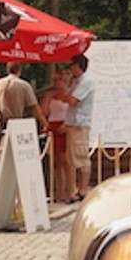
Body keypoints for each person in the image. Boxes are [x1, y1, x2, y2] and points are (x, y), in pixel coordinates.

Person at [40, 67, 75, 202]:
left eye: (57, 80)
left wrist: (67, 125)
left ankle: (69, 191)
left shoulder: (70, 95)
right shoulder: (50, 95)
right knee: (56, 163)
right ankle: (58, 192)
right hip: (52, 125)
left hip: (64, 126)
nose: (55, 83)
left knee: (66, 161)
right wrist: (47, 99)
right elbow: (44, 112)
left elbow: (74, 111)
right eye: (53, 80)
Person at [67, 54, 96, 195]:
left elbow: (73, 100)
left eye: (71, 65)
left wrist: (64, 97)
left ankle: (83, 190)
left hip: (80, 124)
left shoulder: (86, 82)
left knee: (81, 157)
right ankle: (74, 190)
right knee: (72, 158)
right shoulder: (75, 81)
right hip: (72, 124)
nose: (69, 68)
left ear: (77, 66)